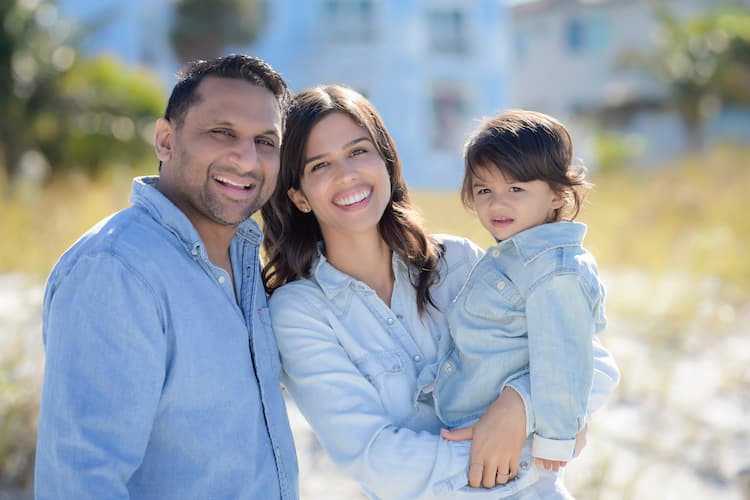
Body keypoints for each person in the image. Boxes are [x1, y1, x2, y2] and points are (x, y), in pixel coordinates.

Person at [262, 85, 620, 499]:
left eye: (359, 151)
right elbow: (376, 459)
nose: (347, 175)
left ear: (386, 162)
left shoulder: (460, 263)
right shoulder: (299, 312)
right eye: (320, 165)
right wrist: (529, 446)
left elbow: (594, 366)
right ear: (298, 196)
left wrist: (519, 407)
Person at [35, 55, 299, 499]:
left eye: (265, 141)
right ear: (165, 139)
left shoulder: (246, 261)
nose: (247, 159)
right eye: (222, 133)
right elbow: (81, 480)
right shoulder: (118, 270)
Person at [432, 109, 608, 498]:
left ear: (557, 193)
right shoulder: (513, 258)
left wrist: (556, 442)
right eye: (484, 191)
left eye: (516, 189)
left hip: (522, 464)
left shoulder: (554, 271)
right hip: (483, 445)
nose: (498, 204)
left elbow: (563, 355)